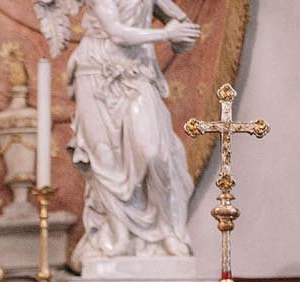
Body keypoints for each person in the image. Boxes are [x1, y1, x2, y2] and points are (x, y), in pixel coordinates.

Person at [38, 0, 200, 266]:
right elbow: (116, 31)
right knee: (105, 160)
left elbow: (182, 25)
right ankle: (117, 235)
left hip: (137, 73)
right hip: (94, 71)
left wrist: (183, 36)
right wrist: (166, 35)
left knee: (153, 153)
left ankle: (169, 230)